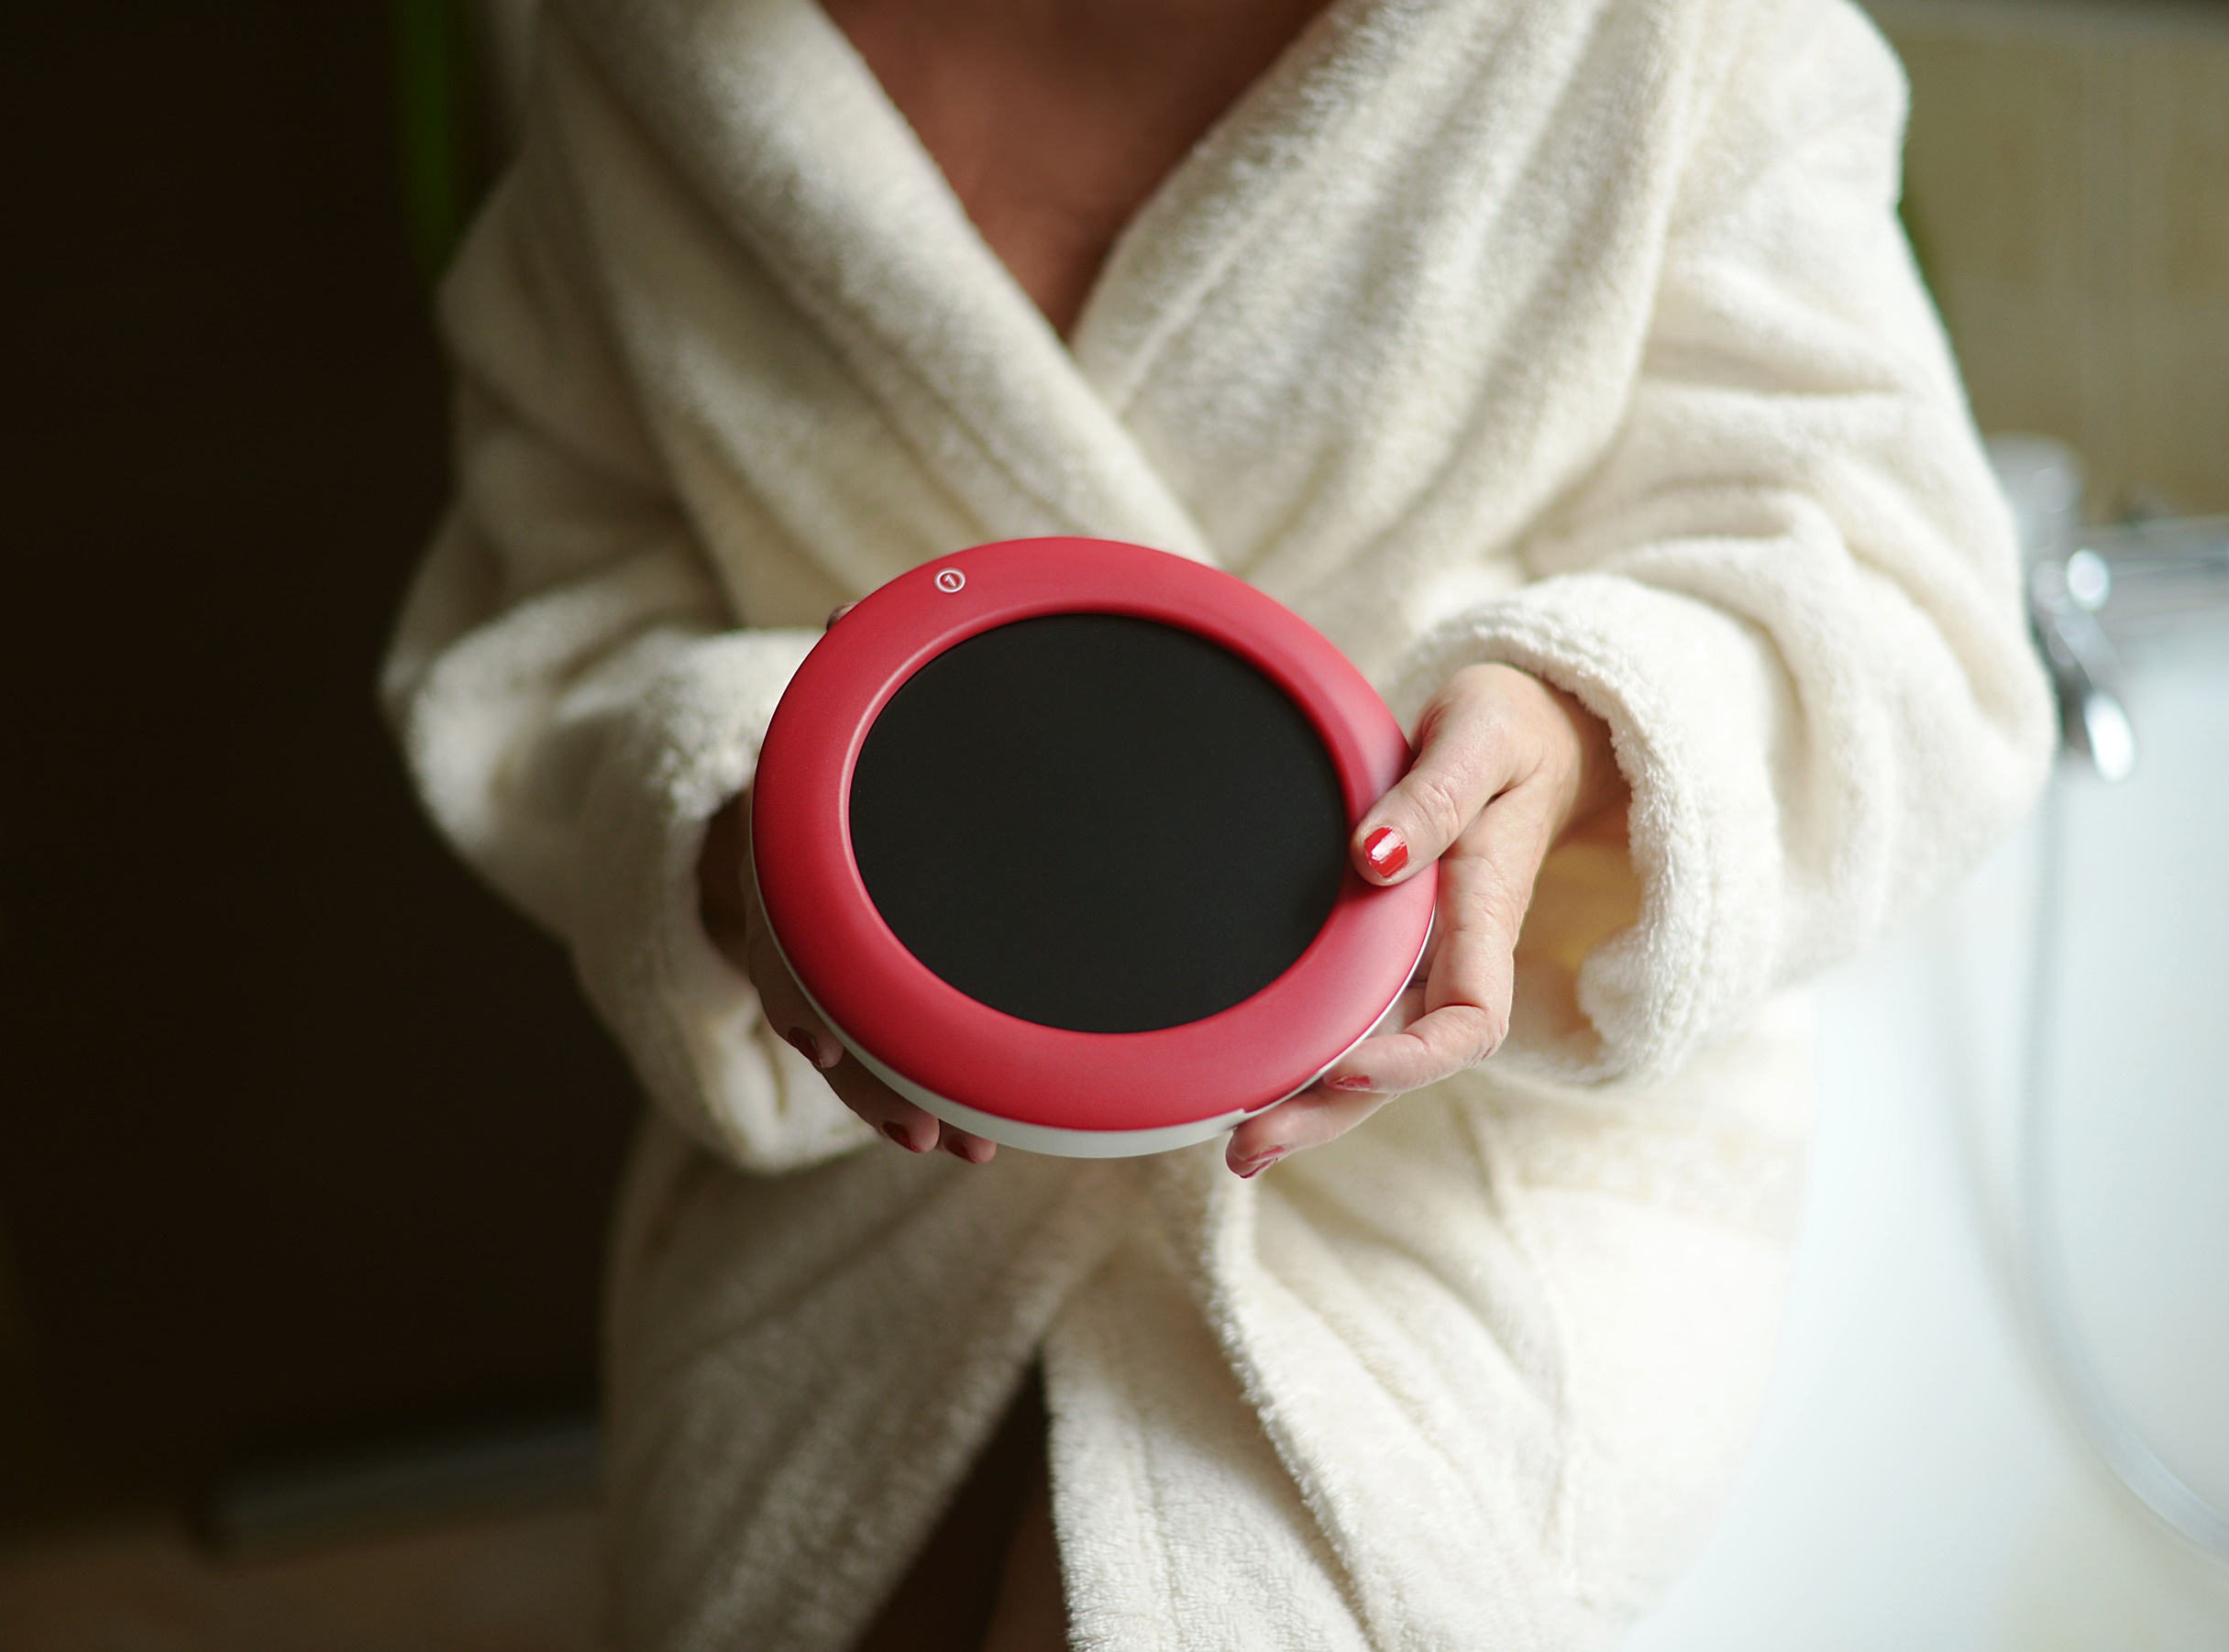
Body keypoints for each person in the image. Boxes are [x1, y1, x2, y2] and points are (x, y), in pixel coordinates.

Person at [381, 0, 2054, 1646]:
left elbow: (1904, 615)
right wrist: (748, 839)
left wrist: (1584, 738)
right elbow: (561, 597)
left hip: (1461, 1110)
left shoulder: (1659, 31)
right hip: (861, 1098)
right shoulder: (657, 45)